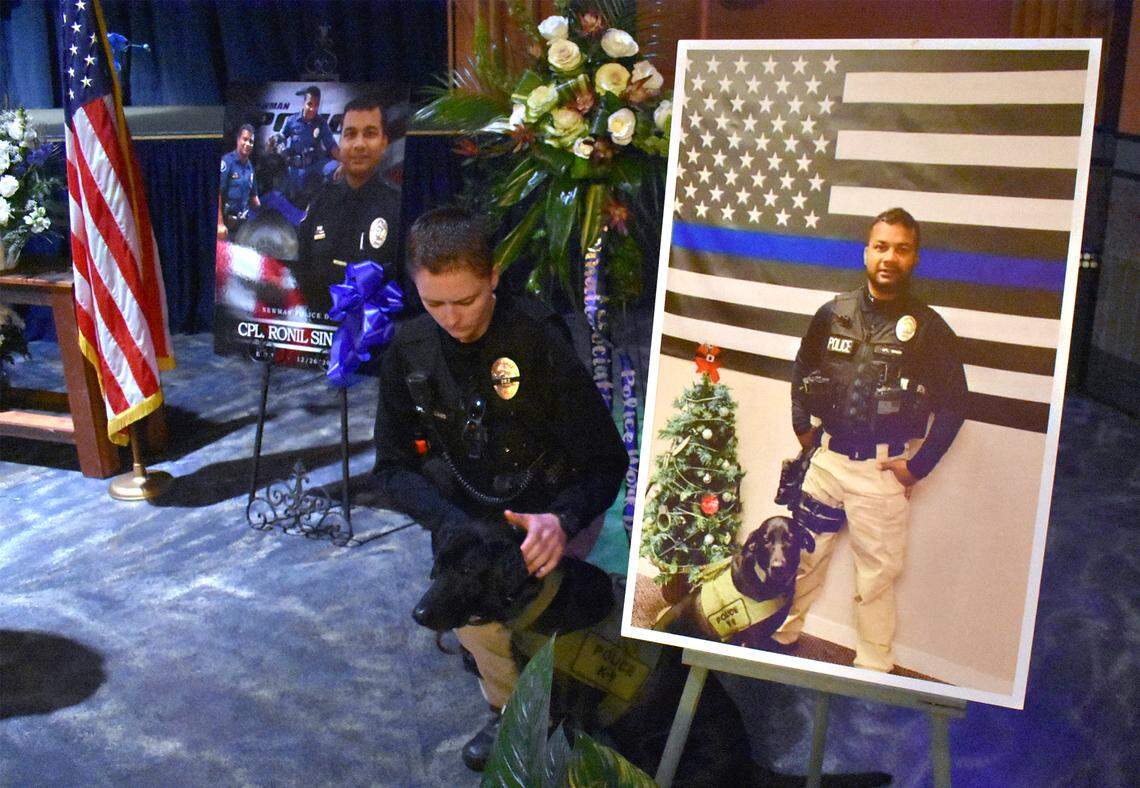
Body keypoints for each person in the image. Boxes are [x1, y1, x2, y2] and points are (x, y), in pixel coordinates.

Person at [372, 207, 628, 771]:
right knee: (476, 602)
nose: (451, 318)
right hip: (463, 514)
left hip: (549, 508)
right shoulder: (409, 350)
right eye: (433, 303)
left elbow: (606, 461)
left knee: (538, 608)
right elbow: (390, 468)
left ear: (492, 277)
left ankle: (551, 704)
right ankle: (511, 710)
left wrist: (560, 520)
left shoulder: (537, 340)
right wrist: (446, 523)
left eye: (464, 300)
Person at [771, 207, 967, 673]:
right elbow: (802, 369)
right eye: (881, 246)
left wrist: (917, 467)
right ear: (866, 252)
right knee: (803, 554)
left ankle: (874, 664)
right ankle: (780, 631)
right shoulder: (832, 313)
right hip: (827, 464)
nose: (889, 257)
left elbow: (956, 404)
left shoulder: (929, 329)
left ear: (914, 257)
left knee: (876, 577)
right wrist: (804, 429)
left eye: (901, 248)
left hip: (881, 474)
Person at [295, 95, 401, 320]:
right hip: (315, 332)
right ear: (340, 143)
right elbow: (301, 268)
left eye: (370, 133)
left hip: (373, 340)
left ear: (384, 143)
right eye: (350, 134)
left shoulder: (397, 208)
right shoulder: (319, 203)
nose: (359, 144)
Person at [273, 85, 339, 210]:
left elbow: (332, 146)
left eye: (316, 105)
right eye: (309, 104)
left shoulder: (321, 123)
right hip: (295, 169)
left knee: (336, 169)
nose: (312, 109)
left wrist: (346, 163)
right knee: (286, 198)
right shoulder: (291, 121)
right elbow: (281, 137)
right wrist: (275, 142)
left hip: (314, 165)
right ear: (304, 103)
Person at [217, 124, 260, 240]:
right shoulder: (227, 162)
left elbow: (254, 198)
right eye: (245, 139)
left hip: (243, 228)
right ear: (238, 139)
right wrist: (219, 223)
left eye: (251, 141)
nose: (247, 144)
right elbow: (217, 193)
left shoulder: (250, 167)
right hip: (226, 227)